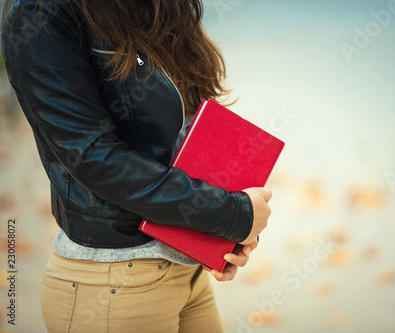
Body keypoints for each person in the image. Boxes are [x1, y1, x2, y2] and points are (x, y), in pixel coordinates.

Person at [1, 0, 273, 332]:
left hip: (186, 272)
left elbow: (181, 127)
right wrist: (229, 214)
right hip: (113, 285)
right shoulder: (40, 11)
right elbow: (91, 156)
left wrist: (221, 236)